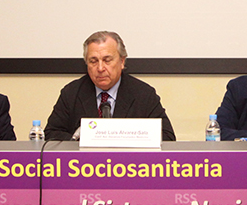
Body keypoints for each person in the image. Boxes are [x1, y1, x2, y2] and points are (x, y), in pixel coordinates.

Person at [44, 31, 176, 141]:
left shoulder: (143, 94)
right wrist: (88, 138)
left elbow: (167, 137)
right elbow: (51, 134)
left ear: (122, 61)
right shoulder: (72, 93)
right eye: (93, 61)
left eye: (107, 60)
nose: (100, 68)